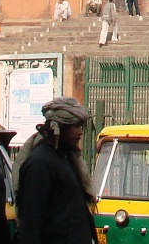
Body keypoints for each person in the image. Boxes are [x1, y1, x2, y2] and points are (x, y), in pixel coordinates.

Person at [15, 98, 95, 244]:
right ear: (58, 127)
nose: (80, 132)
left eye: (80, 126)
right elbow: (31, 221)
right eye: (75, 126)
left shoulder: (65, 157)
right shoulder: (40, 163)